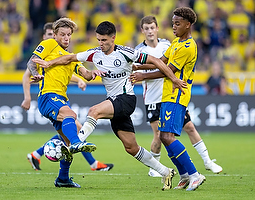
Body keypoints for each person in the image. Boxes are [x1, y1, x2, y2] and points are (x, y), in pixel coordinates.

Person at [33, 21, 188, 191]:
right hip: (115, 102)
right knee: (131, 147)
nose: (101, 44)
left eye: (104, 40)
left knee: (94, 111)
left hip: (126, 99)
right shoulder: (95, 54)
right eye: (99, 40)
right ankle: (165, 171)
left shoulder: (126, 53)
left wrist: (173, 78)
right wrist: (50, 63)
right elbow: (70, 57)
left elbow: (155, 61)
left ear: (113, 38)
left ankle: (76, 142)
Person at [134, 16, 222, 178]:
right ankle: (156, 167)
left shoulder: (169, 44)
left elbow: (165, 67)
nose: (150, 31)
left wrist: (143, 75)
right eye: (146, 28)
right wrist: (138, 69)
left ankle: (207, 161)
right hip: (153, 98)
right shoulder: (139, 51)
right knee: (159, 136)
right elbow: (158, 64)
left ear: (157, 28)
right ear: (142, 31)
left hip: (172, 95)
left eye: (152, 27)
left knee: (189, 127)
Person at [22, 22, 114, 172]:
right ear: (56, 35)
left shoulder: (71, 57)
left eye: (69, 35)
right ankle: (80, 147)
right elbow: (31, 62)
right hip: (48, 96)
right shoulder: (50, 44)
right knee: (70, 115)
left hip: (61, 99)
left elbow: (86, 74)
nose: (66, 38)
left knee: (67, 144)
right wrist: (35, 73)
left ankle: (63, 178)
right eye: (63, 35)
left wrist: (93, 73)